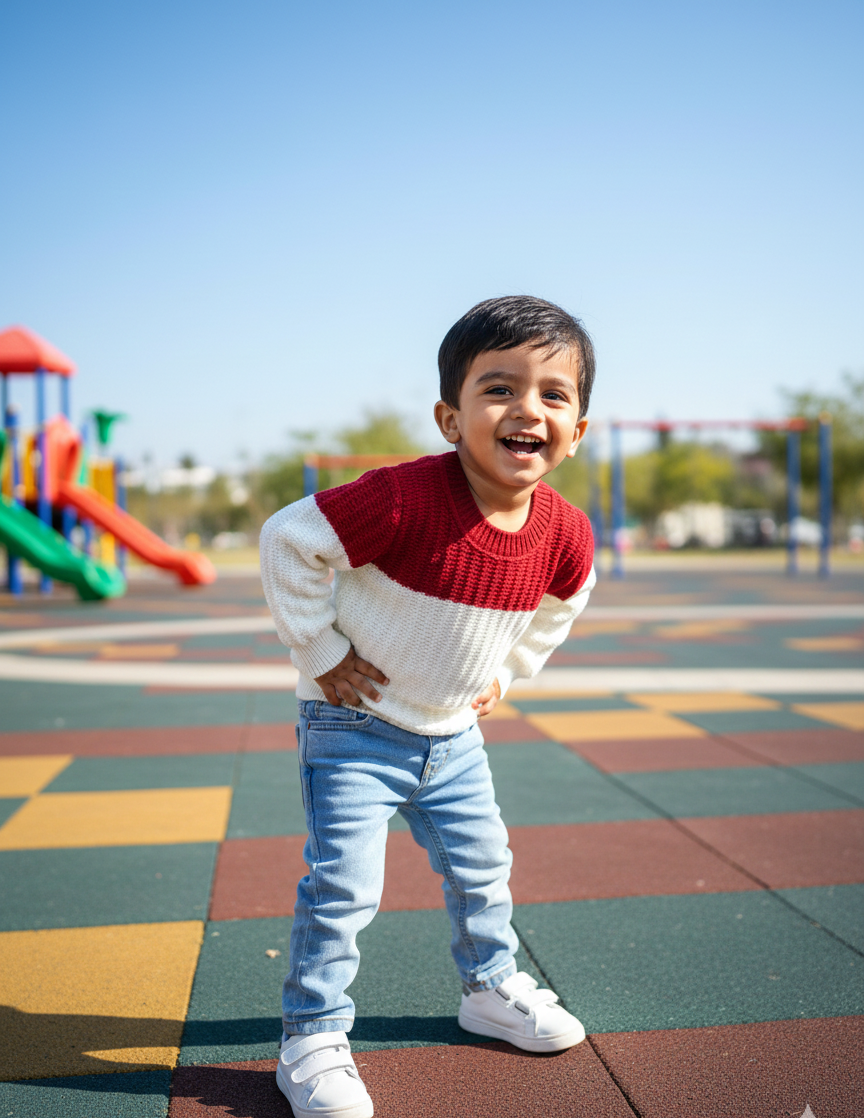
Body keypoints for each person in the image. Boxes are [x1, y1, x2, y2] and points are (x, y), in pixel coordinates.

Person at [260, 295, 597, 1118]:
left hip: (453, 736)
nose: (528, 410)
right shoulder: (402, 499)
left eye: (553, 395)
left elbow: (563, 606)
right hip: (355, 727)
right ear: (450, 418)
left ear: (578, 430)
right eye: (499, 389)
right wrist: (321, 653)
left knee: (484, 867)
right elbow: (288, 541)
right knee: (344, 887)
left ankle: (488, 988)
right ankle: (311, 1036)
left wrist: (507, 672)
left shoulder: (565, 533)